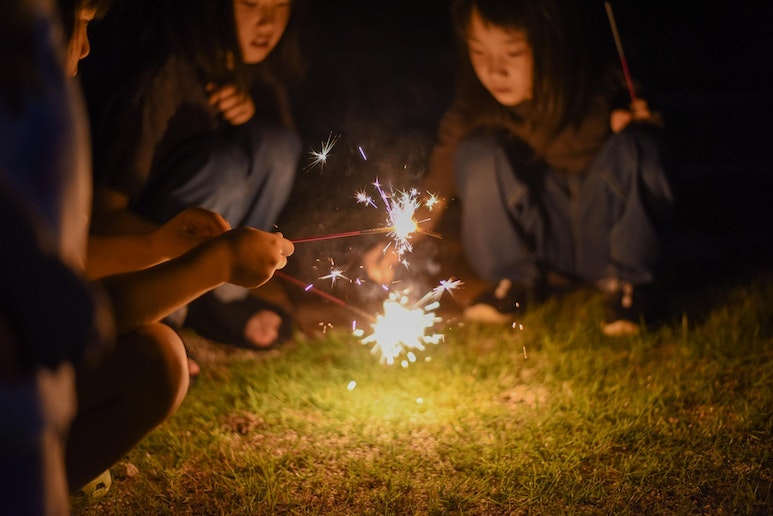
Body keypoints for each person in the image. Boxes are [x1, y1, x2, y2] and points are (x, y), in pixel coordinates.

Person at [2, 0, 295, 505]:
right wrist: (217, 264)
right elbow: (71, 317)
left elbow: (67, 261)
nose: (88, 45)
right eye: (83, 23)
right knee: (158, 360)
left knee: (155, 358)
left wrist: (156, 246)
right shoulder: (30, 114)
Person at [364, 0, 673, 336]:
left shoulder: (601, 83)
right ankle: (511, 283)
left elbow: (644, 125)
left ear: (550, 44)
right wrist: (401, 242)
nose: (494, 70)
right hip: (540, 249)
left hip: (604, 239)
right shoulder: (475, 107)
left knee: (640, 144)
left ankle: (631, 289)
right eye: (479, 52)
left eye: (512, 54)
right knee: (474, 153)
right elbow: (439, 181)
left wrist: (638, 122)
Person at [88, 0, 308, 350]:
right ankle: (169, 313)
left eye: (280, 3)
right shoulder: (162, 78)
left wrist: (253, 119)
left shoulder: (260, 74)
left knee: (277, 143)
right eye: (251, 3)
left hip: (217, 253)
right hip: (154, 256)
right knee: (222, 167)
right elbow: (102, 216)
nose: (268, 22)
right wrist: (190, 246)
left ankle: (222, 297)